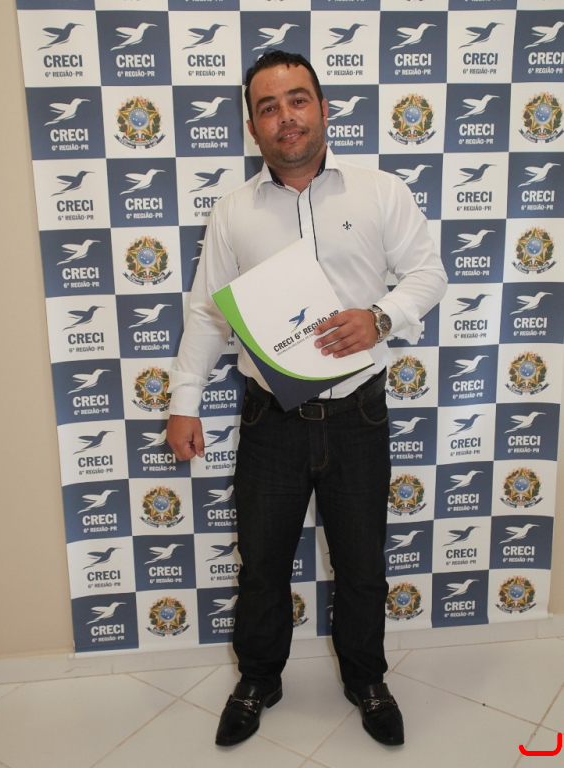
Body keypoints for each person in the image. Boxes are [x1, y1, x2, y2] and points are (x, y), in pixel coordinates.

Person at [167, 50, 447, 748]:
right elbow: (206, 313)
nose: (285, 116)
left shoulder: (380, 192)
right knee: (262, 566)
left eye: (297, 99)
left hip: (358, 415)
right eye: (268, 107)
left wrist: (380, 318)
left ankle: (366, 679)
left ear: (322, 108)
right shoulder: (233, 212)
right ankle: (258, 679)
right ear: (252, 126)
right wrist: (183, 401)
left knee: (362, 565)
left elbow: (427, 274)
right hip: (271, 421)